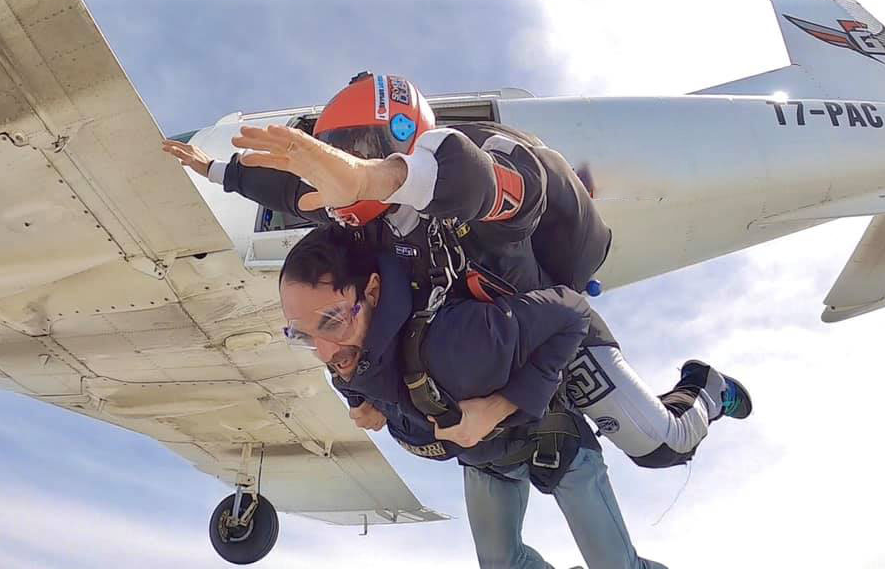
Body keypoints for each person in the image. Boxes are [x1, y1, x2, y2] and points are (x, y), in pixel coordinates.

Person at [162, 72, 751, 468]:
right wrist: (216, 169)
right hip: (484, 341)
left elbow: (485, 183)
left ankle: (706, 388)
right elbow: (291, 194)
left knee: (661, 446)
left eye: (355, 154)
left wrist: (373, 178)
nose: (341, 180)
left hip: (547, 318)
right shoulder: (353, 213)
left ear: (404, 146)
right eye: (335, 155)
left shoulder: (490, 171)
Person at [278, 223, 665, 569]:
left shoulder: (460, 340)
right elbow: (346, 373)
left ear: (374, 292)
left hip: (553, 441)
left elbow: (572, 312)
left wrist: (500, 407)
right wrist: (359, 402)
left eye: (332, 322)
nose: (324, 352)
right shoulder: (348, 354)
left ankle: (698, 397)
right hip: (488, 462)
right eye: (304, 337)